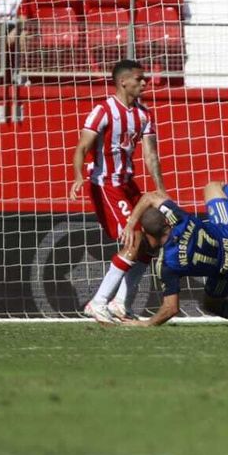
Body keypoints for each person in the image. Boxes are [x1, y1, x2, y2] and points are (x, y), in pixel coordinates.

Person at [117, 182, 228, 328]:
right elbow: (150, 196)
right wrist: (130, 223)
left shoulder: (167, 265)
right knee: (214, 187)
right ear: (166, 222)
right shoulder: (178, 218)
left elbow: (170, 309)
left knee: (212, 304)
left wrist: (146, 323)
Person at [70, 59, 166, 323]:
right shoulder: (103, 111)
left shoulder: (144, 114)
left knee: (154, 238)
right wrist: (78, 175)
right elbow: (81, 147)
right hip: (106, 185)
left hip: (128, 183)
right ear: (123, 81)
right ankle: (97, 302)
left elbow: (151, 155)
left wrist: (160, 190)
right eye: (139, 79)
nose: (144, 83)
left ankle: (120, 303)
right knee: (133, 240)